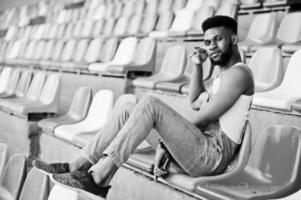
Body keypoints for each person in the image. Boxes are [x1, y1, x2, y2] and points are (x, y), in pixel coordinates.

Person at [33, 15, 254, 198]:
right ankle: (79, 165)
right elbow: (195, 101)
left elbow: (204, 117)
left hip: (211, 155)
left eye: (218, 39)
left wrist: (165, 145)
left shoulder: (239, 74)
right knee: (128, 108)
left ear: (233, 38)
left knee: (150, 104)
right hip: (200, 145)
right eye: (207, 42)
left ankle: (100, 178)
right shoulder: (223, 76)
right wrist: (197, 65)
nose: (212, 46)